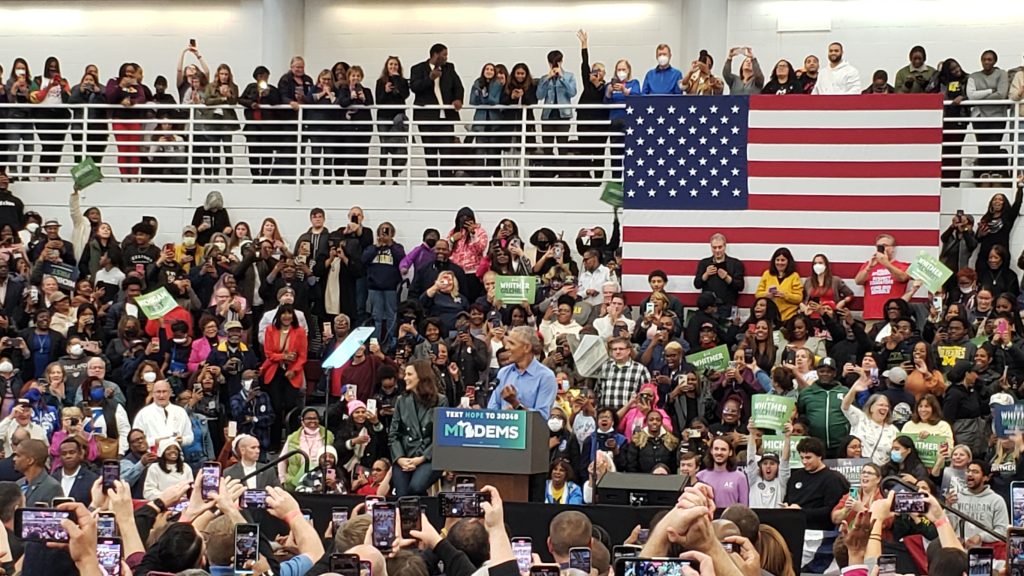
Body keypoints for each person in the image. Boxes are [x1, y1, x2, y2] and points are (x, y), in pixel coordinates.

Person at [784, 437, 847, 571]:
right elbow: (788, 499)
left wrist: (801, 512)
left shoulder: (833, 479)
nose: (804, 461)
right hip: (795, 533)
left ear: (820, 456)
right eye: (802, 458)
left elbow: (830, 512)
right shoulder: (796, 476)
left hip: (820, 540)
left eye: (808, 457)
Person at [389, 359, 446, 496]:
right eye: (405, 374)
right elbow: (393, 434)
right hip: (405, 455)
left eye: (409, 374)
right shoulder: (401, 401)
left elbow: (440, 436)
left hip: (429, 457)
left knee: (415, 488)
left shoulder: (440, 401)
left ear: (421, 376)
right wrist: (400, 458)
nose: (405, 378)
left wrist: (421, 458)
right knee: (402, 495)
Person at [410, 43, 464, 183]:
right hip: (427, 118)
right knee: (430, 153)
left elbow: (458, 86)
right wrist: (430, 79)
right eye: (444, 54)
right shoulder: (417, 69)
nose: (446, 57)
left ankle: (446, 182)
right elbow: (415, 87)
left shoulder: (449, 68)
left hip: (445, 117)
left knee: (447, 152)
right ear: (435, 54)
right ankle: (433, 182)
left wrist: (458, 99)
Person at [260, 304, 307, 450]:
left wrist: (295, 369)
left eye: (289, 314)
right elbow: (269, 353)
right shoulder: (270, 330)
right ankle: (274, 444)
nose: (287, 317)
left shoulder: (299, 332)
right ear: (278, 316)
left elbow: (303, 356)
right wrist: (284, 356)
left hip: (292, 373)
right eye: (284, 314)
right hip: (275, 372)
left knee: (291, 406)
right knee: (275, 407)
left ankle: (292, 444)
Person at [487, 326, 557, 419]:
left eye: (512, 343)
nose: (506, 347)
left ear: (527, 347)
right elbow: (492, 410)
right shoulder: (503, 372)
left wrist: (515, 403)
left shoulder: (546, 377)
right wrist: (502, 416)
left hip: (529, 432)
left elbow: (542, 418)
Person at [841, 369, 898, 466]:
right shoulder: (860, 418)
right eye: (881, 405)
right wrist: (854, 390)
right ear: (871, 407)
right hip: (856, 468)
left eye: (886, 406)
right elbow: (845, 406)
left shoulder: (893, 430)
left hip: (880, 472)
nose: (884, 408)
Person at [947, 459, 1009, 547]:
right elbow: (949, 527)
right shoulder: (956, 497)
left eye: (975, 472)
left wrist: (981, 537)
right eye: (968, 471)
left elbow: (1002, 531)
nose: (970, 474)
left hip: (985, 550)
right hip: (959, 550)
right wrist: (948, 508)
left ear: (986, 478)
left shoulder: (997, 500)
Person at [967, 50, 1010, 171]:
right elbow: (971, 96)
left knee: (993, 147)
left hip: (997, 117)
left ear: (995, 61)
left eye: (989, 59)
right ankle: (984, 177)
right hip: (979, 117)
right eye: (984, 59)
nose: (986, 62)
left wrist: (979, 97)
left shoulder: (1002, 74)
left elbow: (1001, 94)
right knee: (982, 148)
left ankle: (998, 174)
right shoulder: (974, 76)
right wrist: (991, 91)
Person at [797, 358, 850, 456]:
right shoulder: (806, 393)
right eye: (822, 371)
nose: (825, 374)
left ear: (834, 373)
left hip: (840, 445)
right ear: (817, 372)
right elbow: (801, 415)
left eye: (829, 371)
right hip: (814, 446)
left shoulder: (845, 392)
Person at [854, 234, 910, 322]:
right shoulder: (868, 265)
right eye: (879, 246)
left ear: (892, 249)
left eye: (885, 245)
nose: (882, 248)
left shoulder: (902, 266)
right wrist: (869, 267)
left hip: (894, 316)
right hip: (871, 316)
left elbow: (903, 277)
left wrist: (886, 263)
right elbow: (858, 281)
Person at [693, 233, 745, 318]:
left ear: (725, 247)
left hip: (727, 306)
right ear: (711, 247)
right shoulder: (704, 263)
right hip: (708, 307)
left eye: (720, 247)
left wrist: (727, 277)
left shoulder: (735, 264)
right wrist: (706, 275)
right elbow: (697, 284)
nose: (717, 250)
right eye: (714, 247)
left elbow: (740, 286)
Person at [131, 379, 194, 449]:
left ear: (170, 393)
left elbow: (190, 437)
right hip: (152, 456)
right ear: (153, 394)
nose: (161, 395)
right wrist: (154, 442)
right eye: (158, 392)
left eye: (164, 392)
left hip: (175, 455)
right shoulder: (143, 413)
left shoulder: (180, 412)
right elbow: (135, 439)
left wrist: (182, 440)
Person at [595, 337, 651, 411]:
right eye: (615, 349)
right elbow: (598, 391)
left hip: (630, 414)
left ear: (628, 351)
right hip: (607, 414)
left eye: (621, 349)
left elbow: (647, 393)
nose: (617, 352)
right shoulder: (604, 367)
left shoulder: (640, 369)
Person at [746, 424, 792, 508]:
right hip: (756, 519)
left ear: (778, 466)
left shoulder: (781, 482)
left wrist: (787, 437)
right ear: (760, 466)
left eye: (772, 463)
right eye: (765, 463)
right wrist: (752, 434)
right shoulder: (754, 479)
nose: (768, 466)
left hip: (775, 519)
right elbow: (750, 457)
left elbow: (785, 460)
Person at [696, 436, 748, 507]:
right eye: (716, 449)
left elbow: (744, 507)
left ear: (730, 452)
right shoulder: (700, 476)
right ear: (711, 451)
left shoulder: (740, 477)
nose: (719, 452)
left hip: (730, 517)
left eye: (723, 449)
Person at [754, 247, 803, 322]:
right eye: (777, 260)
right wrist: (767, 295)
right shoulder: (767, 274)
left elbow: (799, 298)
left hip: (789, 317)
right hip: (769, 317)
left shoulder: (794, 276)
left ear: (788, 261)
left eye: (783, 260)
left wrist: (785, 296)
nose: (780, 263)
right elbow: (757, 294)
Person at [15, 438, 62, 505]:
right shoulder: (18, 484)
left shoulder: (52, 487)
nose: (14, 459)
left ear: (30, 460)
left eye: (18, 456)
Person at [53, 437, 97, 505]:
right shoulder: (53, 478)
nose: (68, 456)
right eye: (64, 453)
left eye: (72, 452)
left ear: (80, 454)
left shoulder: (92, 479)